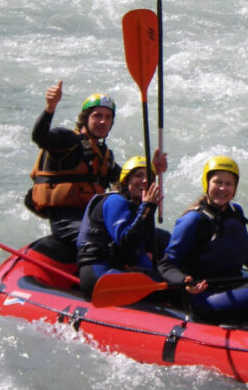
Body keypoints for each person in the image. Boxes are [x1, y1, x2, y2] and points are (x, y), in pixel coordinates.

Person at [157, 156, 248, 326]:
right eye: (217, 182)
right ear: (206, 183)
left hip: (233, 284)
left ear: (235, 188)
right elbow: (166, 264)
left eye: (228, 184)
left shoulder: (235, 212)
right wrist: (185, 282)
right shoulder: (193, 220)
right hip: (205, 296)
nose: (223, 188)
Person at [26, 81, 123, 251]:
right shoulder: (67, 140)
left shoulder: (104, 155)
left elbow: (127, 182)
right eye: (97, 116)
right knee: (107, 244)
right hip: (66, 219)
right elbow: (40, 137)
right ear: (85, 118)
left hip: (93, 218)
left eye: (108, 117)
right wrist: (50, 108)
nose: (103, 122)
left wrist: (153, 169)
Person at [75, 154, 169, 300]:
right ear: (126, 181)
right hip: (100, 274)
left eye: (148, 178)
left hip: (119, 270)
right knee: (167, 288)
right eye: (138, 176)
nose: (144, 181)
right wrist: (147, 208)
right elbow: (127, 243)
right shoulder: (115, 200)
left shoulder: (140, 209)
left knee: (165, 241)